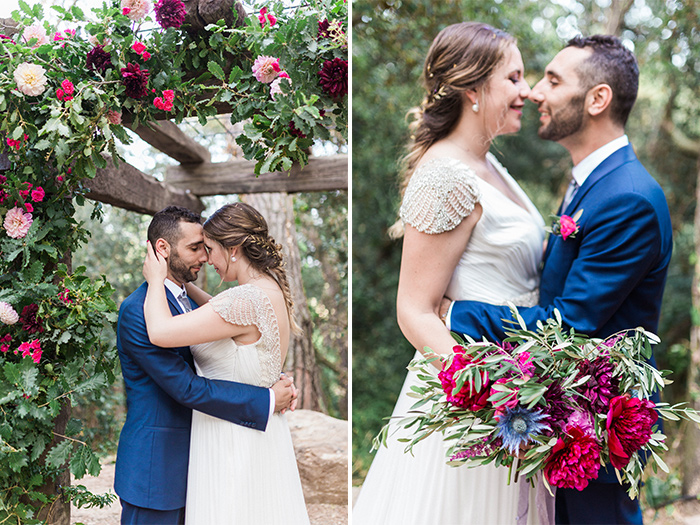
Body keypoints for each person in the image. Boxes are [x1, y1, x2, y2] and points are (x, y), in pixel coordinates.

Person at [443, 35, 673, 525]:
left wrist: (456, 312)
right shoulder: (592, 183)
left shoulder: (627, 198)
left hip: (599, 430)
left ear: (597, 99)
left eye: (552, 80)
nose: (534, 93)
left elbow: (568, 326)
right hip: (561, 417)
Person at [353, 22, 546, 524]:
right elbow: (414, 310)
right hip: (476, 398)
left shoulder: (489, 164)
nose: (526, 90)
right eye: (514, 77)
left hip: (522, 384)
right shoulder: (444, 174)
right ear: (473, 90)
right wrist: (487, 393)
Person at [115, 205, 297, 524]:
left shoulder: (225, 301)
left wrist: (264, 375)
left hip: (213, 456)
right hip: (158, 470)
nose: (204, 258)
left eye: (207, 248)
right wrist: (266, 398)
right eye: (196, 248)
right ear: (162, 249)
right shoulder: (137, 311)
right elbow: (186, 387)